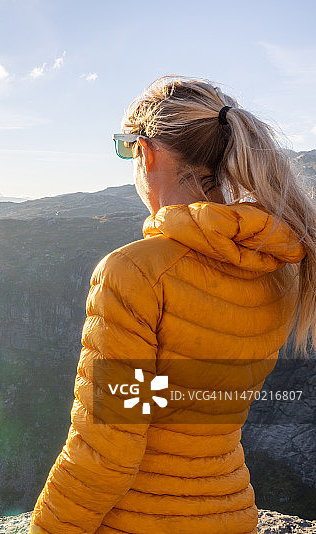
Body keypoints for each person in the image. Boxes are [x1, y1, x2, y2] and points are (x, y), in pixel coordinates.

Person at [29, 75, 316, 533]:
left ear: (146, 153)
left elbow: (105, 449)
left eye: (126, 150)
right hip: (231, 514)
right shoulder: (274, 267)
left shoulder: (135, 272)